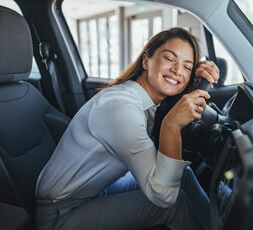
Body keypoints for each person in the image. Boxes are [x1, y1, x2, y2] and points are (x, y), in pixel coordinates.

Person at [35, 27, 219, 230]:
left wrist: (197, 80)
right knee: (174, 204)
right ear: (146, 61)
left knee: (183, 175)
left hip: (100, 189)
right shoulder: (121, 106)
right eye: (169, 58)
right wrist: (172, 125)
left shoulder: (148, 101)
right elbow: (164, 197)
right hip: (62, 212)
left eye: (187, 66)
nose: (177, 70)